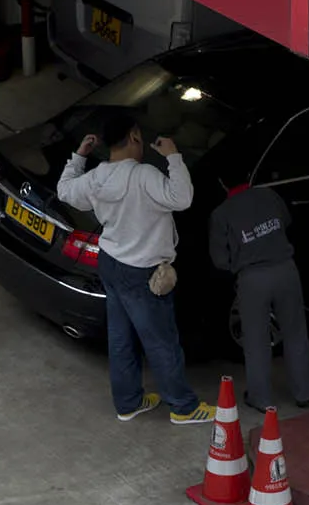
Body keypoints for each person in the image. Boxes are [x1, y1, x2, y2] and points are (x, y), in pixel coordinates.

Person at [58, 112, 215, 425]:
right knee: (161, 341)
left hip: (111, 264)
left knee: (120, 337)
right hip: (143, 272)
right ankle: (183, 407)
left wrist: (79, 157)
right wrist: (173, 157)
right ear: (133, 137)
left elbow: (65, 191)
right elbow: (182, 198)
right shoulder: (144, 176)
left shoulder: (97, 177)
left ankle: (128, 401)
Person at [209, 181, 309, 414]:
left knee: (256, 340)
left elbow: (219, 259)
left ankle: (261, 398)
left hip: (252, 278)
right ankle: (304, 392)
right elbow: (286, 221)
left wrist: (239, 263)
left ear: (222, 183)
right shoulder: (269, 195)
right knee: (296, 332)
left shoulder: (221, 214)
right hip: (286, 270)